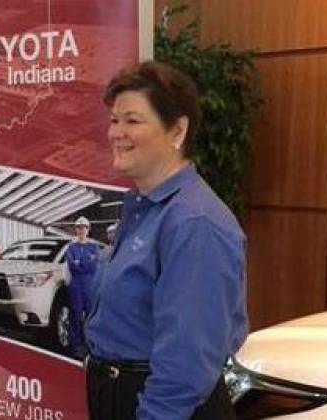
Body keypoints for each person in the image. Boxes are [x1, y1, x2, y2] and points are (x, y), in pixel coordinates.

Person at [84, 61, 247, 420]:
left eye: (132, 120)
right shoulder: (142, 206)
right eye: (114, 120)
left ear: (178, 131)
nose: (116, 132)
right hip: (122, 396)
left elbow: (187, 361)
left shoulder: (195, 222)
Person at [64, 216, 100, 357]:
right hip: (77, 285)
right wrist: (83, 263)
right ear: (76, 229)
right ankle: (75, 345)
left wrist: (81, 263)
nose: (81, 230)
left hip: (91, 285)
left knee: (92, 315)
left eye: (84, 227)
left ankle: (92, 344)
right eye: (78, 227)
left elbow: (94, 265)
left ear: (88, 229)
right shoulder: (71, 247)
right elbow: (72, 265)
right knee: (75, 314)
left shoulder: (94, 247)